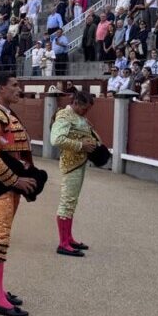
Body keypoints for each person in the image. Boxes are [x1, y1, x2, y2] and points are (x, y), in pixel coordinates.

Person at [0, 71, 44, 316]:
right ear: (1, 88)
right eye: (14, 85)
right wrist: (15, 179)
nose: (19, 88)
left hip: (8, 182)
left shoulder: (4, 113)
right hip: (1, 183)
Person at [49, 91, 101, 257]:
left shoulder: (78, 116)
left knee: (72, 201)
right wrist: (80, 146)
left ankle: (69, 238)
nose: (86, 111)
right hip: (71, 163)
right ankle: (63, 243)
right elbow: (56, 139)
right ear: (77, 103)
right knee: (67, 201)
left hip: (79, 162)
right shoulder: (65, 115)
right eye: (85, 108)